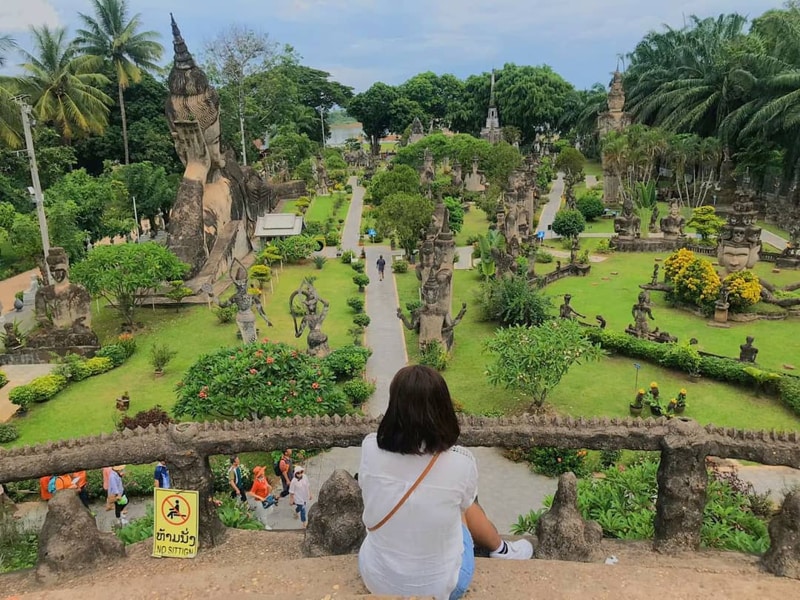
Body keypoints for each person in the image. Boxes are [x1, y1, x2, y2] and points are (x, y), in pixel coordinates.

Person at [358, 365, 532, 600]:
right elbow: (465, 503)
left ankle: (500, 548)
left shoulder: (370, 448)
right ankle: (501, 549)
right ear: (442, 408)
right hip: (442, 587)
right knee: (463, 507)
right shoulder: (460, 462)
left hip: (376, 578)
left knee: (448, 500)